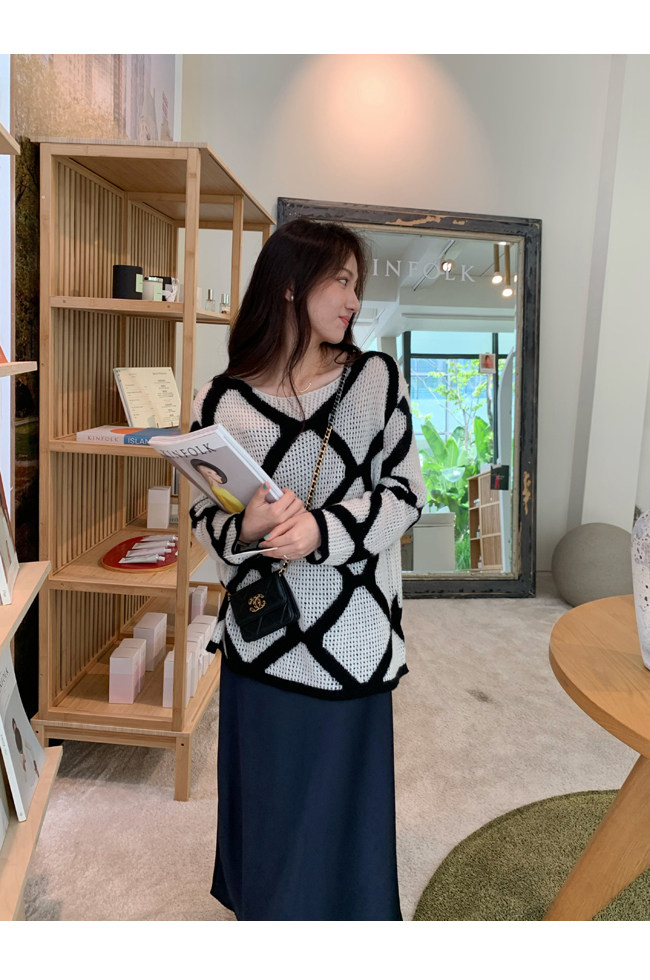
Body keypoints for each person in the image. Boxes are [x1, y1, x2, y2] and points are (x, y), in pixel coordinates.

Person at [189, 217, 426, 921]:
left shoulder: (375, 380)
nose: (355, 299)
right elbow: (206, 519)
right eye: (341, 280)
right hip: (262, 634)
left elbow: (406, 495)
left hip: (351, 636)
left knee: (341, 810)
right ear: (291, 284)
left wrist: (322, 529)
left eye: (358, 283)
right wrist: (250, 527)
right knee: (270, 797)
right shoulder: (220, 400)